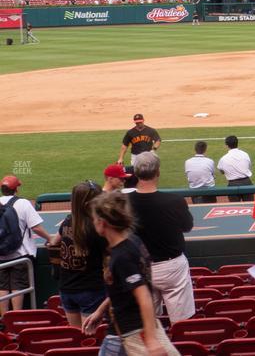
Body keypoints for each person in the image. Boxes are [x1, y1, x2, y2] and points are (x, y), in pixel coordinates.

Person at [82, 191, 181, 356]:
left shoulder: (122, 256)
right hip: (134, 330)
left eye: (94, 219)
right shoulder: (133, 241)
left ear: (102, 223)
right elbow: (125, 287)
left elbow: (144, 297)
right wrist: (101, 311)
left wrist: (150, 340)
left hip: (134, 333)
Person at [127, 153, 195, 324]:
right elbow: (187, 226)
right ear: (157, 172)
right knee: (182, 323)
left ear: (136, 173)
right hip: (171, 266)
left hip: (140, 267)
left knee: (148, 322)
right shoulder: (174, 201)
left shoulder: (124, 202)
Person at [53, 182, 104, 329]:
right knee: (89, 338)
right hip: (90, 289)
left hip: (67, 288)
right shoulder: (97, 226)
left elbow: (54, 242)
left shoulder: (68, 221)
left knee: (77, 337)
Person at [0, 176, 50, 314]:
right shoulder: (23, 203)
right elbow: (36, 228)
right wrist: (49, 238)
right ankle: (15, 318)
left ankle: (4, 321)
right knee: (18, 286)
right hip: (20, 255)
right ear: (16, 188)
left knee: (2, 287)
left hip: (1, 254)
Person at [217, 135, 254, 203]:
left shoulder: (223, 159)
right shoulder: (245, 154)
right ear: (237, 143)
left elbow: (221, 171)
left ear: (227, 145)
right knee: (250, 206)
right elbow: (248, 167)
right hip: (247, 183)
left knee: (235, 206)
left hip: (232, 185)